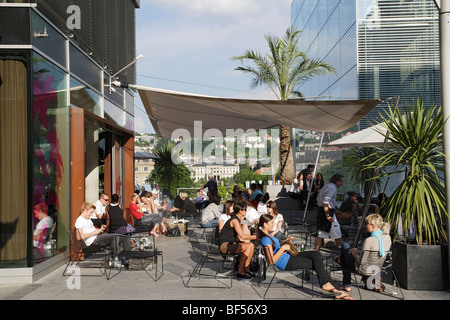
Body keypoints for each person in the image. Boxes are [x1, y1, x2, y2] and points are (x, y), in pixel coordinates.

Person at [257, 214, 353, 300]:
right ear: (265, 224)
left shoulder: (268, 236)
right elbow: (272, 261)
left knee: (316, 255)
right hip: (285, 262)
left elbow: (275, 248)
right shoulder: (265, 240)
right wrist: (283, 248)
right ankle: (333, 288)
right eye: (272, 223)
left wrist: (285, 242)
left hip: (287, 256)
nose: (274, 224)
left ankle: (330, 286)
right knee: (317, 264)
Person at [334, 213, 391, 293]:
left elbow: (361, 263)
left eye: (366, 223)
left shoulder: (370, 240)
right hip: (377, 268)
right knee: (349, 248)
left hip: (364, 269)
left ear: (373, 225)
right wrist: (358, 252)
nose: (365, 225)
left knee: (345, 245)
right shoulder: (388, 238)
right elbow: (374, 254)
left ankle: (346, 284)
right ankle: (341, 260)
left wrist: (354, 253)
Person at [218, 201, 257, 279]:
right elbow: (242, 236)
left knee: (251, 245)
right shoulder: (235, 220)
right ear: (240, 211)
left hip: (231, 244)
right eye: (245, 209)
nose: (246, 211)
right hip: (225, 245)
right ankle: (240, 271)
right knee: (248, 247)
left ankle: (245, 268)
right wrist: (257, 237)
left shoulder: (238, 220)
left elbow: (241, 235)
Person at [315, 173, 344, 251]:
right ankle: (341, 253)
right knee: (337, 233)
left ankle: (316, 251)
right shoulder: (333, 188)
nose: (342, 183)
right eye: (341, 182)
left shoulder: (326, 186)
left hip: (321, 211)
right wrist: (328, 215)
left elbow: (319, 198)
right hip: (328, 211)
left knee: (321, 233)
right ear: (337, 181)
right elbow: (325, 202)